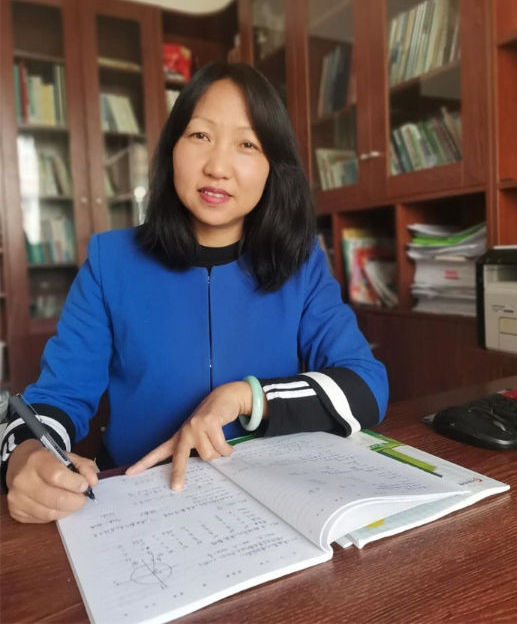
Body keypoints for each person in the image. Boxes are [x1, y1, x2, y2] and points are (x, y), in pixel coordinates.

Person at [1, 61, 388, 524]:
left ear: (273, 167)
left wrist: (247, 397)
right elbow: (57, 397)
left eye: (247, 144)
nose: (217, 167)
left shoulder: (300, 262)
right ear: (172, 149)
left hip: (269, 500)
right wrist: (23, 456)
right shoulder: (110, 262)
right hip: (139, 499)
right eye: (200, 135)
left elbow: (367, 385)